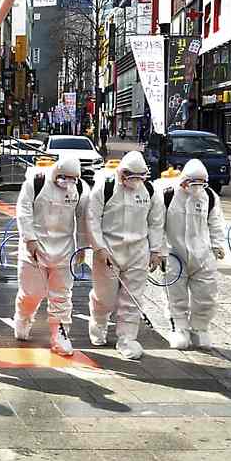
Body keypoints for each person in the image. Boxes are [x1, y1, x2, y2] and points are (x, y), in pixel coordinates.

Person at [85, 151, 164, 360]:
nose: (135, 181)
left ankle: (127, 338)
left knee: (132, 298)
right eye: (131, 176)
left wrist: (156, 250)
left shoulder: (149, 191)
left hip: (138, 251)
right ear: (122, 173)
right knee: (105, 297)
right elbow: (92, 218)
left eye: (140, 176)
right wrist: (99, 248)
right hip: (109, 251)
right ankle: (99, 323)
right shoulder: (105, 188)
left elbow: (156, 222)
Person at [14, 157, 91, 356]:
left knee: (62, 296)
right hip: (34, 250)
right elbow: (23, 210)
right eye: (65, 177)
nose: (68, 182)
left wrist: (82, 246)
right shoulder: (36, 183)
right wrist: (29, 238)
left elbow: (83, 218)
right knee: (32, 293)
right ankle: (23, 317)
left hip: (64, 250)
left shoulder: (80, 189)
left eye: (73, 178)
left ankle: (60, 334)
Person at [163, 159, 226, 350]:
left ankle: (200, 328)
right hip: (175, 253)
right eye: (193, 183)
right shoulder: (169, 195)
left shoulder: (209, 197)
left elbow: (215, 222)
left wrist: (217, 245)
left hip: (203, 255)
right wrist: (158, 250)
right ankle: (179, 327)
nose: (197, 188)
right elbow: (157, 224)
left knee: (206, 295)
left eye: (201, 183)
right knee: (176, 295)